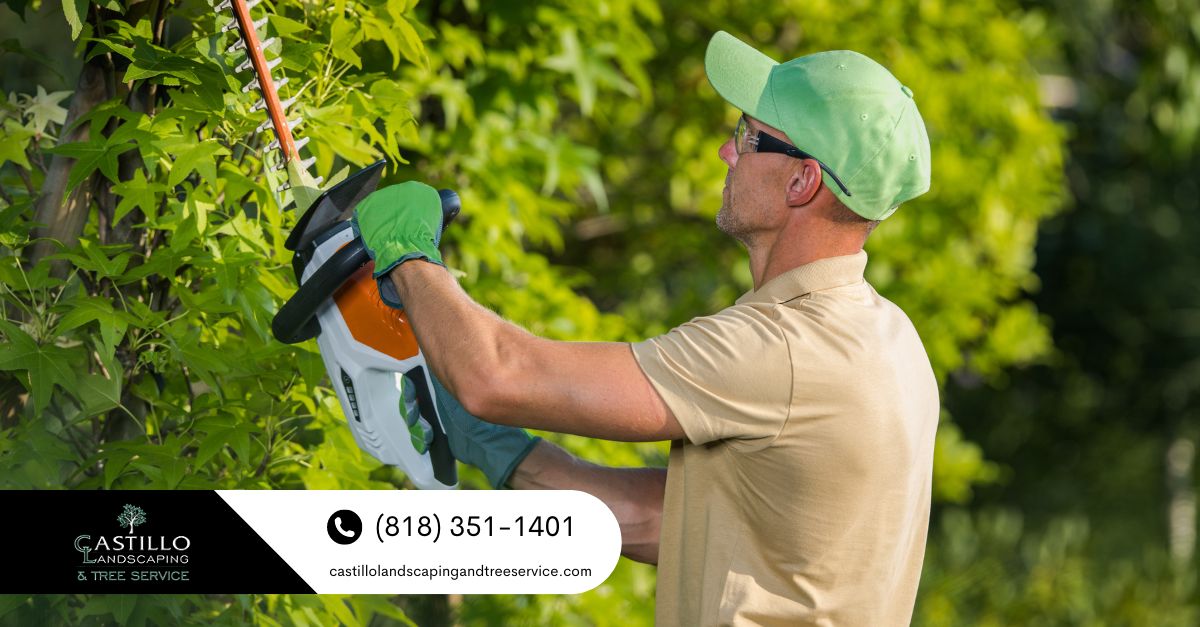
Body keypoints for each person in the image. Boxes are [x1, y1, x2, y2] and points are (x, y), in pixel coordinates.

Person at [353, 30, 938, 626]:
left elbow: (498, 375)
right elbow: (668, 524)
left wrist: (407, 254)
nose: (726, 152)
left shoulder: (781, 350)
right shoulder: (890, 341)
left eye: (748, 136)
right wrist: (504, 451)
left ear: (801, 182)